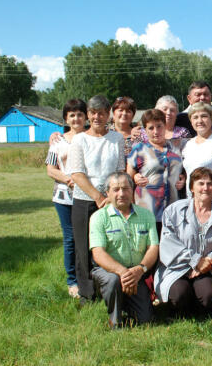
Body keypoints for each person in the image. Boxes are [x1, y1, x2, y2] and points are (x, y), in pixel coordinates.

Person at [67, 95, 125, 303]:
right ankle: (87, 293)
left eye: (101, 112)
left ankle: (108, 287)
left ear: (108, 113)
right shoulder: (80, 139)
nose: (97, 117)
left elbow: (119, 170)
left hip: (111, 201)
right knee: (83, 247)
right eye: (93, 113)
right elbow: (76, 173)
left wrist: (111, 197)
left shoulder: (116, 139)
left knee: (108, 245)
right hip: (85, 201)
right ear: (88, 115)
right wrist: (97, 196)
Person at [89, 172, 158, 329]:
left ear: (132, 190)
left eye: (126, 189)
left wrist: (140, 270)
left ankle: (126, 304)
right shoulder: (99, 218)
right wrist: (122, 272)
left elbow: (153, 247)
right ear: (107, 193)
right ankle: (115, 320)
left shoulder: (146, 215)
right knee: (113, 281)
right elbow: (98, 253)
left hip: (136, 272)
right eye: (116, 189)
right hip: (108, 271)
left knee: (146, 320)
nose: (121, 194)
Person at [154, 168, 212, 316]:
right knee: (180, 295)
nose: (205, 188)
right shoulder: (174, 210)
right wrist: (195, 260)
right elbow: (168, 244)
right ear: (192, 187)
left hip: (207, 268)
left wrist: (211, 260)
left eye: (210, 184)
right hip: (177, 267)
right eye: (200, 183)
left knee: (208, 296)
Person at [45, 98, 87, 298]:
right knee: (70, 239)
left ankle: (89, 276)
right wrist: (69, 179)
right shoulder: (57, 141)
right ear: (66, 118)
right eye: (72, 115)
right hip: (65, 198)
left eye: (80, 114)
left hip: (87, 196)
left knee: (88, 237)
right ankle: (72, 281)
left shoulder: (90, 137)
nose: (76, 118)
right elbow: (50, 169)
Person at [126, 109, 182, 238]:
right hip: (147, 209)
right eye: (151, 128)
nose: (156, 131)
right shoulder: (139, 149)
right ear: (145, 130)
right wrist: (135, 177)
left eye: (159, 126)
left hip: (172, 209)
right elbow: (128, 177)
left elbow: (181, 170)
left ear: (165, 126)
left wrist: (182, 178)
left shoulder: (175, 147)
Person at [181, 102, 212, 203]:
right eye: (195, 117)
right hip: (192, 201)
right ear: (191, 121)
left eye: (204, 116)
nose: (200, 121)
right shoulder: (188, 145)